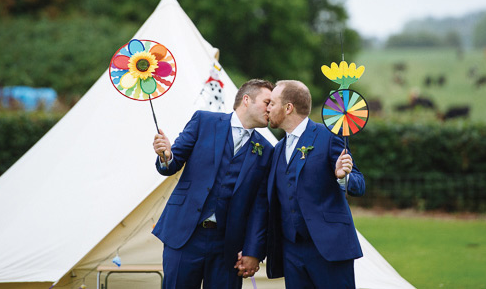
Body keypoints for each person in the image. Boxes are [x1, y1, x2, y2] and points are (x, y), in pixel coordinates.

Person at [152, 79, 275, 289]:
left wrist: (253, 250)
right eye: (267, 102)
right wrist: (166, 155)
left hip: (228, 244)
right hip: (185, 234)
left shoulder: (267, 150)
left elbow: (260, 207)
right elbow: (171, 164)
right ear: (247, 99)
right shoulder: (204, 121)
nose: (271, 109)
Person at [265, 80, 365, 288]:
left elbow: (359, 184)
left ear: (288, 107)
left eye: (272, 103)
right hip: (291, 251)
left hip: (330, 248)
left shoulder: (327, 137)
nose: (268, 108)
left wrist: (342, 176)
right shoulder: (277, 150)